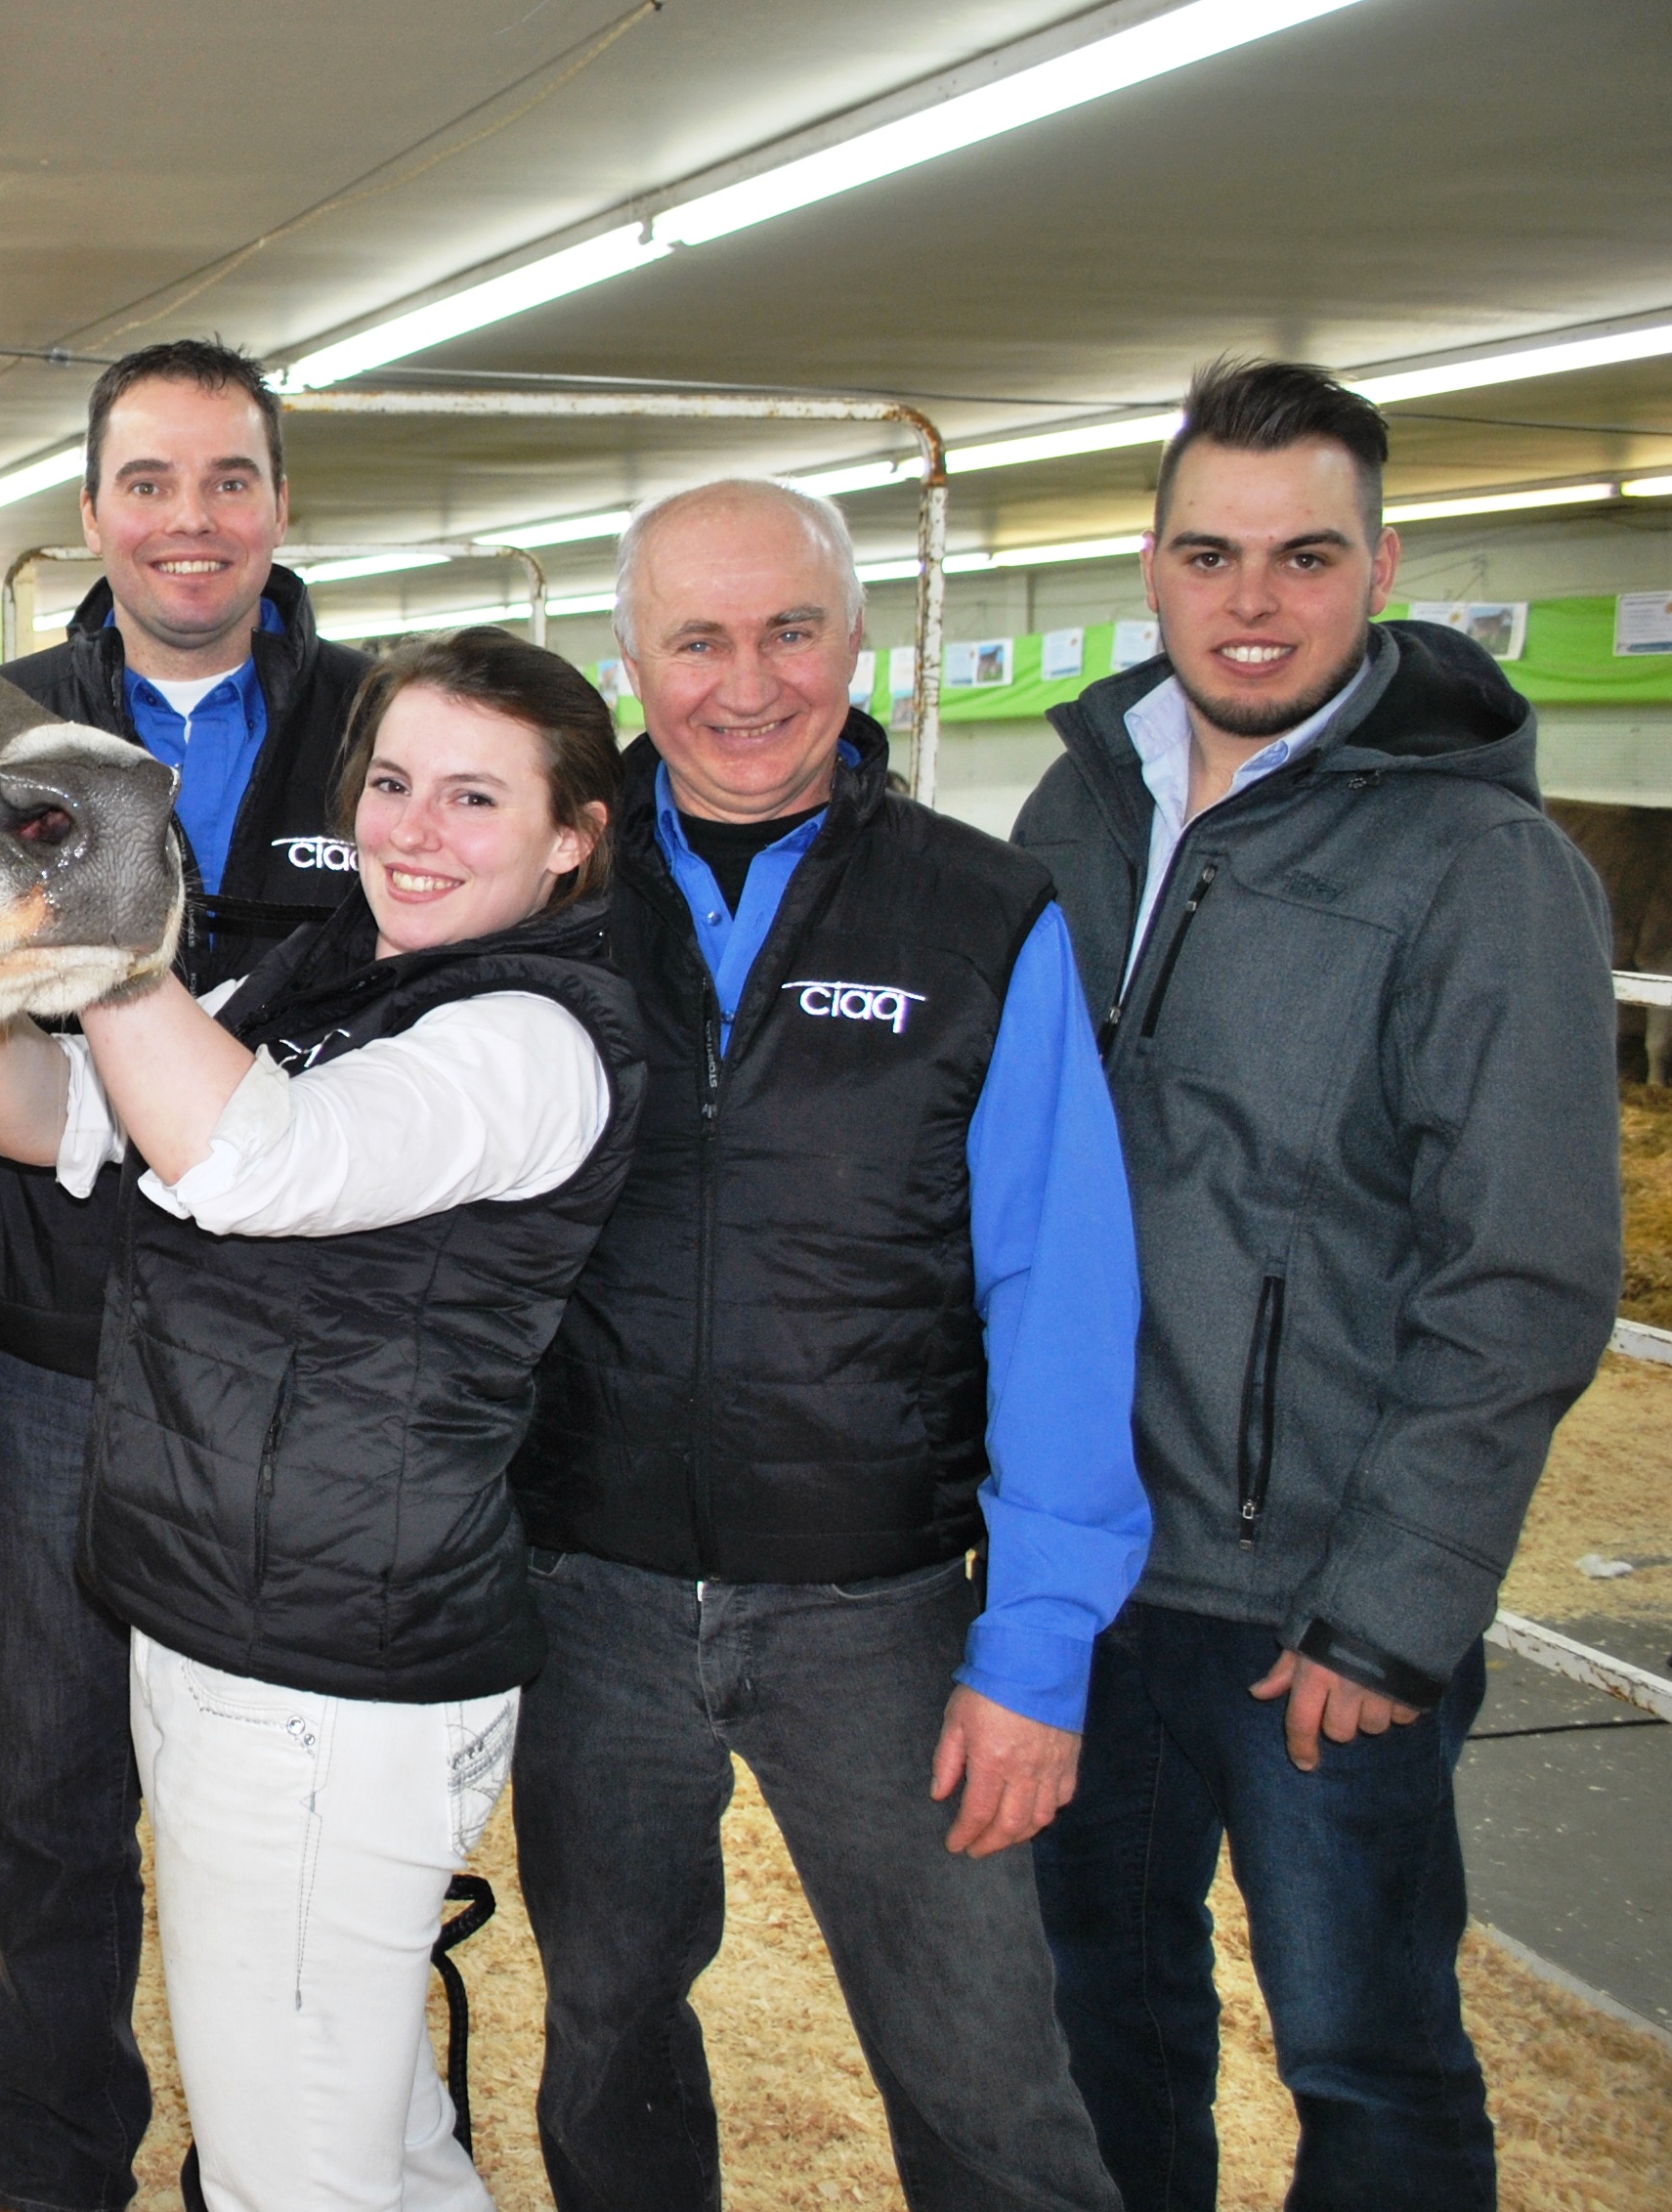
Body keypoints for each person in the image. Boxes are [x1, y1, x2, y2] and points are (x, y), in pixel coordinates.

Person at [1014, 360, 1623, 2212]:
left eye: (1307, 555)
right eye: (1211, 554)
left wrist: (1395, 1613)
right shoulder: (1076, 815)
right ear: (1152, 566)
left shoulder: (1480, 866)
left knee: (1366, 2057)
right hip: (1084, 1570)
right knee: (1097, 2021)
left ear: (1385, 566)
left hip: (1312, 1605)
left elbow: (1527, 1273)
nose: (1253, 600)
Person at [507, 478, 1150, 2212]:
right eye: (697, 640)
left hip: (882, 1612)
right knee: (608, 2037)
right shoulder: (540, 893)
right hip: (586, 1597)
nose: (748, 684)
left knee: (988, 2085)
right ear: (629, 659)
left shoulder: (980, 913)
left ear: (858, 640)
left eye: (791, 630)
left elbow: (1061, 1289)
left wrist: (1037, 1646)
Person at [0, 628, 640, 2212]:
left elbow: (249, 1162)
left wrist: (112, 923)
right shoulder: (325, 977)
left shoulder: (530, 1038)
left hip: (331, 1684)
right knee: (378, 2146)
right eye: (393, 783)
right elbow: (53, 1117)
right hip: (230, 1628)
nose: (414, 828)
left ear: (572, 838)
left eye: (476, 798)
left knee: (290, 2178)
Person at [0, 335, 369, 2212]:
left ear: (280, 504)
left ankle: (280, 2170)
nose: (188, 521)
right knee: (53, 1803)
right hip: (53, 1363)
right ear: (90, 511)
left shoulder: (384, 735)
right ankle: (52, 2173)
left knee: (285, 1814)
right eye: (149, 482)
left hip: (308, 1380)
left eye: (228, 479)